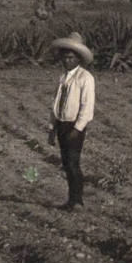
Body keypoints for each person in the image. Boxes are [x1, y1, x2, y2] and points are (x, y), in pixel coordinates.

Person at [47, 31, 96, 211]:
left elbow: (87, 106)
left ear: (78, 59)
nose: (67, 61)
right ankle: (71, 199)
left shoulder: (85, 78)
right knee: (66, 163)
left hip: (74, 125)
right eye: (65, 58)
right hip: (61, 124)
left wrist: (77, 129)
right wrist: (52, 127)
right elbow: (56, 103)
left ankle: (78, 201)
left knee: (73, 163)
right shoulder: (63, 78)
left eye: (71, 58)